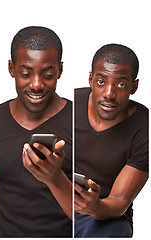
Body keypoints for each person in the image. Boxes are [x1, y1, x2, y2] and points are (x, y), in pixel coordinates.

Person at [0, 26, 72, 237]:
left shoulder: (80, 122)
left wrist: (55, 178)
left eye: (48, 74)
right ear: (11, 69)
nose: (37, 85)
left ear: (60, 70)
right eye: (25, 74)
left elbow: (91, 214)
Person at [74, 43, 149, 237]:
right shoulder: (67, 105)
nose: (109, 93)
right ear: (91, 80)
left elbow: (119, 201)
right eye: (101, 82)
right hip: (55, 200)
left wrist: (94, 206)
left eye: (121, 84)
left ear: (134, 87)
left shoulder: (145, 127)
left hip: (104, 214)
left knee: (113, 229)